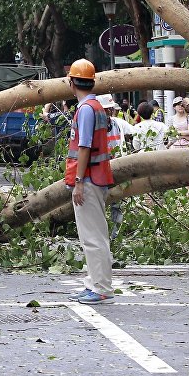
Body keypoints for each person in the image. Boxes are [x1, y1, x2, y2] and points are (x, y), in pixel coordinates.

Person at [63, 60, 115, 304]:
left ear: (72, 83)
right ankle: (94, 283)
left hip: (90, 179)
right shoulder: (95, 107)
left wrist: (79, 181)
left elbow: (83, 147)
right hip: (98, 177)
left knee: (93, 238)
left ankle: (101, 287)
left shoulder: (85, 110)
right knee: (95, 236)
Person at [97, 95, 129, 240]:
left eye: (110, 110)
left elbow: (135, 131)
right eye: (106, 110)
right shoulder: (94, 127)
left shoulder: (117, 124)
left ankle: (115, 234)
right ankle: (102, 234)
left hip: (117, 168)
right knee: (100, 203)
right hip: (100, 170)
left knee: (116, 202)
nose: (109, 113)